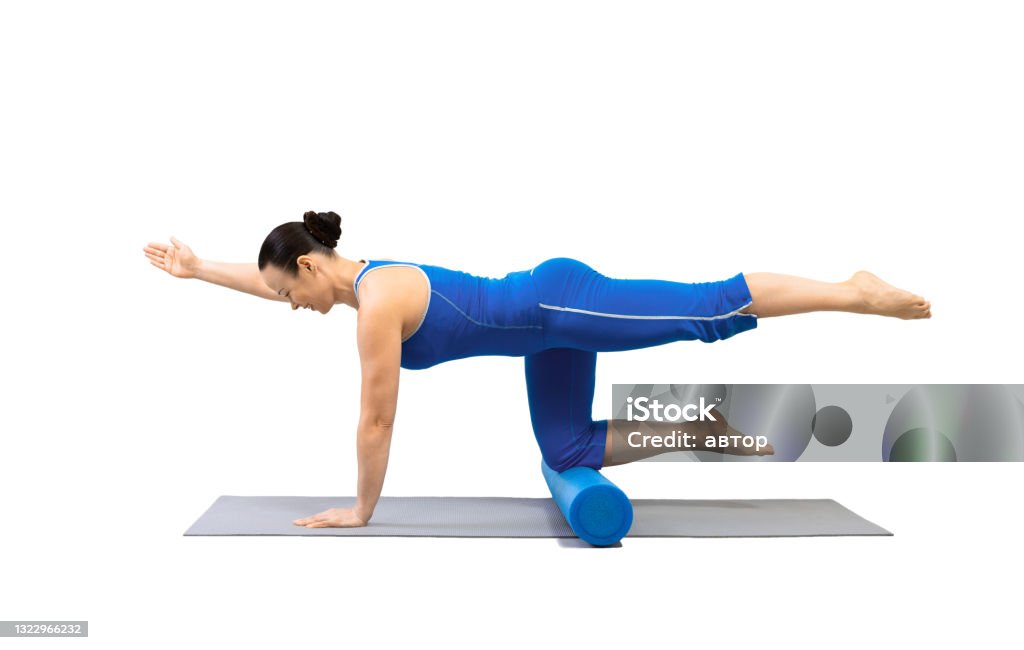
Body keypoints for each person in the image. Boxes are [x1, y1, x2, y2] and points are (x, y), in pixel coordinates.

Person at [143, 210, 931, 528]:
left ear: (313, 268)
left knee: (706, 309)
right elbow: (263, 278)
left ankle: (851, 292)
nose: (287, 306)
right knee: (568, 455)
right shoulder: (356, 287)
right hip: (545, 341)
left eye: (288, 293)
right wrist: (200, 269)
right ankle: (708, 426)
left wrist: (360, 510)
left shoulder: (377, 305)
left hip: (562, 307)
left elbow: (376, 420)